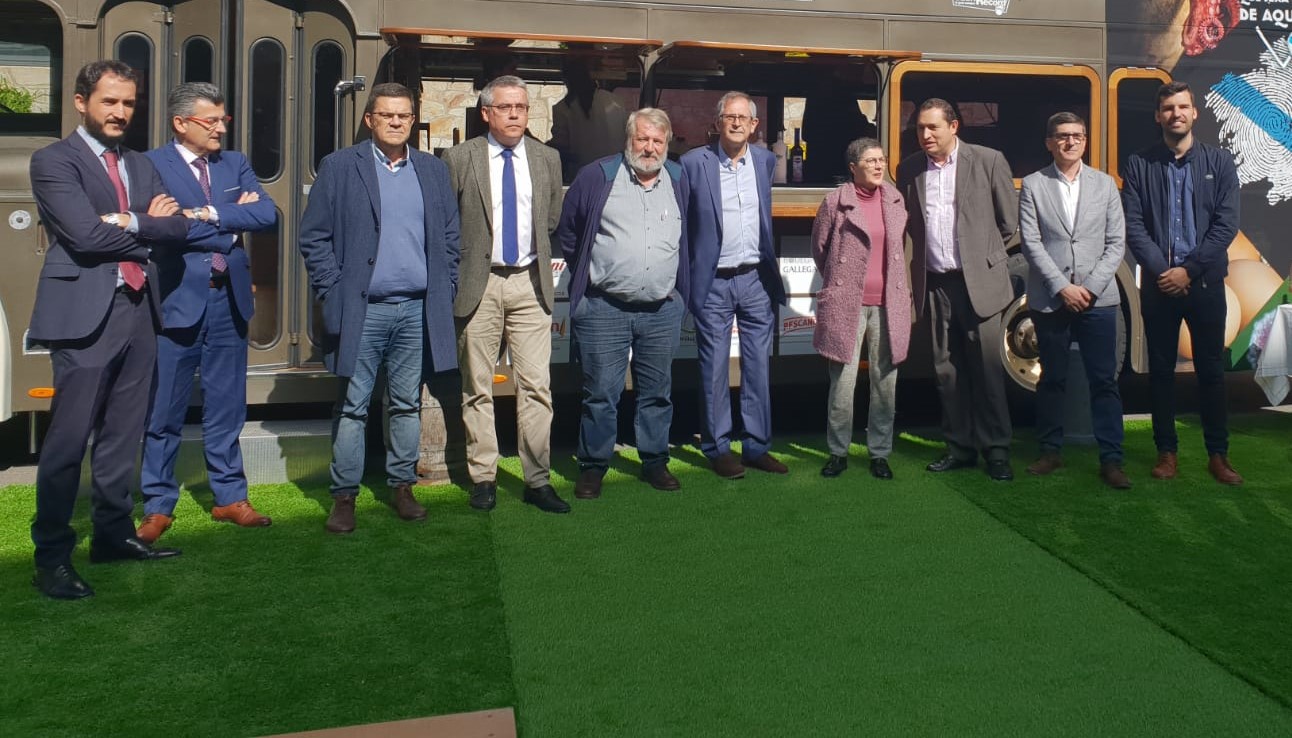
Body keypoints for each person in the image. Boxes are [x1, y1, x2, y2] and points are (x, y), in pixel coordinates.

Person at [27, 60, 187, 599]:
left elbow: (179, 226)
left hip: (139, 310)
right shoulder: (54, 160)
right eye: (109, 101)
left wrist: (132, 222)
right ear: (81, 102)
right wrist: (147, 228)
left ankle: (113, 535)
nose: (120, 112)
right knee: (68, 442)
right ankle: (51, 559)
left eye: (128, 103)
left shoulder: (140, 164)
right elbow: (84, 237)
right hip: (83, 316)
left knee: (123, 434)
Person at [299, 82, 462, 533]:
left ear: (413, 120)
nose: (395, 122)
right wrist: (333, 288)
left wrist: (447, 284)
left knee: (407, 404)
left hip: (415, 310)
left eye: (403, 115)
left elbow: (450, 235)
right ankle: (344, 496)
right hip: (362, 309)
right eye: (387, 115)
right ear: (370, 120)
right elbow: (313, 236)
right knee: (353, 405)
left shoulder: (432, 170)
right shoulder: (339, 167)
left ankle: (402, 487)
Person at [137, 82, 278, 543]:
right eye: (211, 121)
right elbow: (159, 229)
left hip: (228, 300)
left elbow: (268, 215)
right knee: (164, 410)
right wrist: (230, 219)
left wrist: (203, 215)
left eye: (223, 120)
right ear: (180, 123)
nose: (220, 128)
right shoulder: (151, 165)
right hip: (177, 301)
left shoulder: (234, 163)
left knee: (227, 406)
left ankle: (230, 497)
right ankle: (157, 505)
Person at [443, 75, 569, 514]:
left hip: (529, 283)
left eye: (521, 107)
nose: (515, 115)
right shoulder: (460, 158)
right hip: (479, 283)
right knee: (477, 387)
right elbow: (449, 223)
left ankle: (537, 480)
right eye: (505, 107)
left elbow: (550, 219)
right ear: (486, 113)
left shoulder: (548, 158)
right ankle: (484, 478)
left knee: (536, 387)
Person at [557, 108, 690, 500]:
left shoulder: (679, 178)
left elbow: (691, 234)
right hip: (604, 308)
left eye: (657, 140)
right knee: (601, 394)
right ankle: (593, 466)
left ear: (667, 144)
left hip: (661, 309)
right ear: (628, 139)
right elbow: (570, 231)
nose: (649, 147)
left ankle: (655, 461)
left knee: (657, 393)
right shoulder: (598, 176)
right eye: (642, 138)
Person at [1122, 81, 1242, 485]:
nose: (1176, 114)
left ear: (1194, 113)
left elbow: (1226, 225)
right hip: (1160, 287)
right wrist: (1164, 272)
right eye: (1169, 108)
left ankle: (1218, 455)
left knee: (1211, 372)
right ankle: (1166, 453)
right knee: (1160, 373)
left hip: (1205, 284)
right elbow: (1134, 227)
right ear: (1158, 116)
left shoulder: (1219, 162)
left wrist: (1188, 270)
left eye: (1183, 107)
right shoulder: (1139, 164)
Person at [896, 98, 1018, 481]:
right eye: (920, 128)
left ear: (954, 127)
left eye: (933, 127)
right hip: (935, 284)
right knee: (946, 371)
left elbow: (1008, 223)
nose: (925, 135)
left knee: (987, 371)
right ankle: (960, 448)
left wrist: (981, 259)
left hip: (979, 282)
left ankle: (996, 451)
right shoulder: (909, 169)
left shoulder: (988, 161)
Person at [1018, 112, 1131, 489]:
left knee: (1104, 381)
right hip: (1051, 300)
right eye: (1063, 136)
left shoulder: (1105, 184)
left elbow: (1116, 243)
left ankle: (1111, 458)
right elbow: (1031, 243)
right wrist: (1062, 287)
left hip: (1099, 301)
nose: (1070, 142)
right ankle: (1050, 451)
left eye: (1077, 136)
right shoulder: (1033, 184)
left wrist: (1091, 288)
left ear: (1085, 141)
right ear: (1049, 143)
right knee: (1052, 379)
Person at [679, 91, 788, 480]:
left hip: (756, 278)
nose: (737, 123)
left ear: (755, 125)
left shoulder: (765, 160)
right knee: (713, 368)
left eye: (744, 118)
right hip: (713, 281)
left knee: (758, 366)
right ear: (717, 122)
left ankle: (757, 447)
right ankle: (718, 448)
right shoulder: (694, 163)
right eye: (730, 117)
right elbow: (684, 223)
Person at [810, 138, 912, 480]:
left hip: (888, 303)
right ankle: (837, 452)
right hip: (846, 303)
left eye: (881, 160)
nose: (879, 166)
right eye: (871, 161)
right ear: (853, 168)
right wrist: (842, 283)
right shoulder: (834, 202)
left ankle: (880, 453)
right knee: (843, 381)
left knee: (886, 382)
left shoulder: (895, 199)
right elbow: (820, 249)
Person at [549, 56, 629, 183]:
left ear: (566, 81)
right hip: (616, 174)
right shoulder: (616, 101)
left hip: (581, 177)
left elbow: (561, 147)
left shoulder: (563, 108)